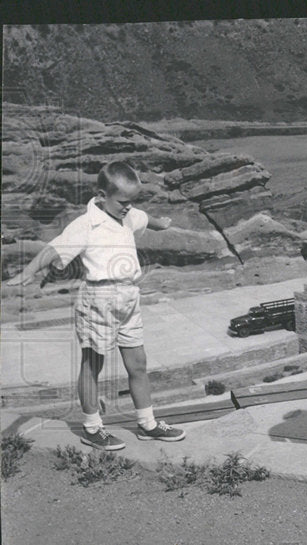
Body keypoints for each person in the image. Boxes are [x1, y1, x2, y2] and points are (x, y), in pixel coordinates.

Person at [7, 162, 185, 450]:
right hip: (98, 299)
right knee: (92, 365)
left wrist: (160, 224)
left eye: (132, 201)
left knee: (138, 363)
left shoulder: (127, 214)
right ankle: (92, 428)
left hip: (128, 296)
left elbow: (143, 217)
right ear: (102, 195)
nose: (129, 207)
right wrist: (29, 271)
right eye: (123, 202)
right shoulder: (86, 224)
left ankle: (147, 424)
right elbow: (54, 248)